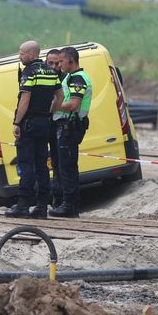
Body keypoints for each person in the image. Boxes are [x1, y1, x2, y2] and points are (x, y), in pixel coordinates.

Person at [5, 40, 63, 219]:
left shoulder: (29, 72)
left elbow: (25, 100)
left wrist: (17, 122)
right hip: (44, 123)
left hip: (29, 124)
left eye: (22, 53)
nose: (20, 56)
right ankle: (41, 207)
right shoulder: (51, 72)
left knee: (26, 164)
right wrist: (49, 112)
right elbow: (59, 96)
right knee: (42, 165)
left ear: (31, 54)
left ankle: (23, 205)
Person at [49, 46, 93, 218]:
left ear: (70, 61)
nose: (59, 65)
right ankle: (69, 204)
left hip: (70, 127)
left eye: (61, 61)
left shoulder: (78, 79)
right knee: (64, 167)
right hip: (65, 126)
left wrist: (53, 105)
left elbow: (74, 104)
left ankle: (69, 205)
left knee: (67, 168)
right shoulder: (69, 77)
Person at [45, 48, 64, 209]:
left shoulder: (65, 79)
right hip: (45, 125)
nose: (53, 66)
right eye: (50, 63)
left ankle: (58, 199)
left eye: (57, 63)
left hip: (60, 125)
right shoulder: (42, 78)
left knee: (60, 165)